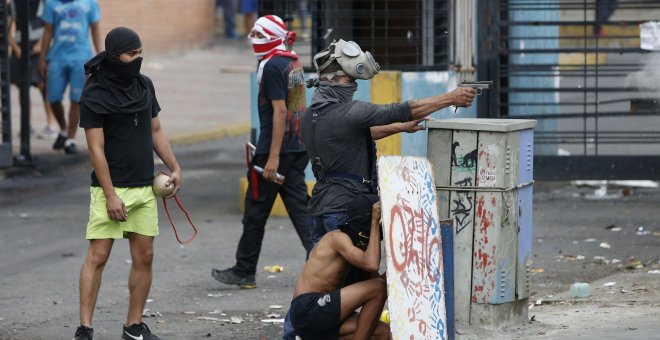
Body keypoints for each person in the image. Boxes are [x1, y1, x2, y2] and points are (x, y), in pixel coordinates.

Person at [302, 39, 476, 243]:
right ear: (337, 79)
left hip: (320, 206)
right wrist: (450, 98)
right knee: (352, 272)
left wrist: (401, 127)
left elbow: (351, 135)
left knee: (322, 271)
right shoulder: (350, 112)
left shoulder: (313, 114)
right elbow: (400, 110)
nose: (354, 86)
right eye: (350, 81)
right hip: (343, 210)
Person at [73, 27, 181, 340]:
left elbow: (156, 130)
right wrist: (109, 195)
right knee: (98, 256)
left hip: (144, 188)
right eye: (131, 54)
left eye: (139, 52)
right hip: (110, 190)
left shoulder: (144, 85)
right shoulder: (94, 94)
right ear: (115, 55)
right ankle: (85, 328)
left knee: (145, 257)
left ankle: (133, 326)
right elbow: (95, 149)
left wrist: (174, 166)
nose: (137, 59)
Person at [212, 15, 313, 289]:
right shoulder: (291, 60)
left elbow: (281, 112)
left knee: (255, 211)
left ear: (269, 38)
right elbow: (297, 108)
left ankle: (244, 271)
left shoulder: (271, 67)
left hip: (274, 151)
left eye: (258, 36)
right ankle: (319, 265)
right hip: (297, 148)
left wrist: (273, 157)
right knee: (301, 211)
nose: (253, 41)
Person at [289, 194, 390, 340]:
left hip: (329, 315)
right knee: (378, 287)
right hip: (309, 311)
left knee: (384, 333)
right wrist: (375, 221)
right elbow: (372, 265)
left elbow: (378, 284)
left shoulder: (359, 251)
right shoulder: (337, 239)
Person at [39, 0, 102, 154]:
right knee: (52, 98)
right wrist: (42, 57)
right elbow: (48, 31)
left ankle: (70, 140)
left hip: (81, 58)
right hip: (57, 58)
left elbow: (95, 29)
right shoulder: (51, 4)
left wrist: (101, 56)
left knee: (76, 100)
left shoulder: (90, 3)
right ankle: (63, 130)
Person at [7, 0, 57, 139]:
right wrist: (16, 48)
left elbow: (51, 28)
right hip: (20, 51)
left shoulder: (45, 4)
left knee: (43, 86)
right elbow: (5, 29)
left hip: (40, 51)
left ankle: (51, 124)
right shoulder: (13, 5)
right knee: (23, 88)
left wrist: (41, 47)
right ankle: (26, 125)